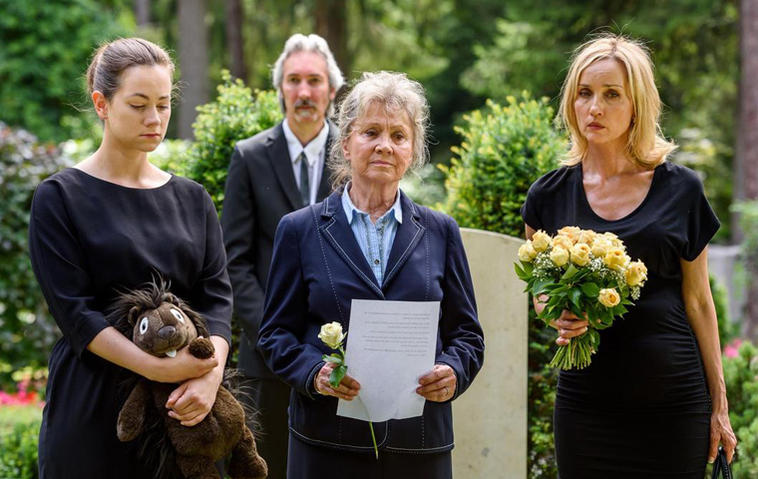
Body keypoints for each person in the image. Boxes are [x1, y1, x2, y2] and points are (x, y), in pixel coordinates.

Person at [521, 34, 737, 478]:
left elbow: (699, 301)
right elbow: (541, 294)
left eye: (611, 95)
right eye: (585, 93)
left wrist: (720, 406)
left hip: (673, 406)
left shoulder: (682, 190)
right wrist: (556, 315)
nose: (594, 107)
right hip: (586, 408)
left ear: (637, 105)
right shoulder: (548, 195)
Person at [257, 71, 485, 478]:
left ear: (412, 150)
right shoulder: (299, 230)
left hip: (419, 444)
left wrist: (453, 371)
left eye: (399, 135)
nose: (385, 145)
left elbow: (467, 336)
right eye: (371, 132)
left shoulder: (440, 232)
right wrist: (315, 372)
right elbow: (275, 336)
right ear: (346, 142)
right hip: (326, 442)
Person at [29, 38, 232, 478]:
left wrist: (208, 377)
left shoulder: (193, 199)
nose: (154, 119)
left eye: (163, 104)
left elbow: (217, 299)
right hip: (93, 413)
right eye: (139, 105)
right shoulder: (59, 197)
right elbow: (75, 314)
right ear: (102, 104)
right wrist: (157, 370)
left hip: (185, 416)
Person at [221, 32, 344, 478]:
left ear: (332, 89)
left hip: (338, 357)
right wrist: (272, 333)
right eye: (294, 81)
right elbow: (233, 259)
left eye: (314, 81)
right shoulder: (249, 157)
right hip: (265, 358)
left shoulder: (355, 158)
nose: (304, 92)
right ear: (281, 90)